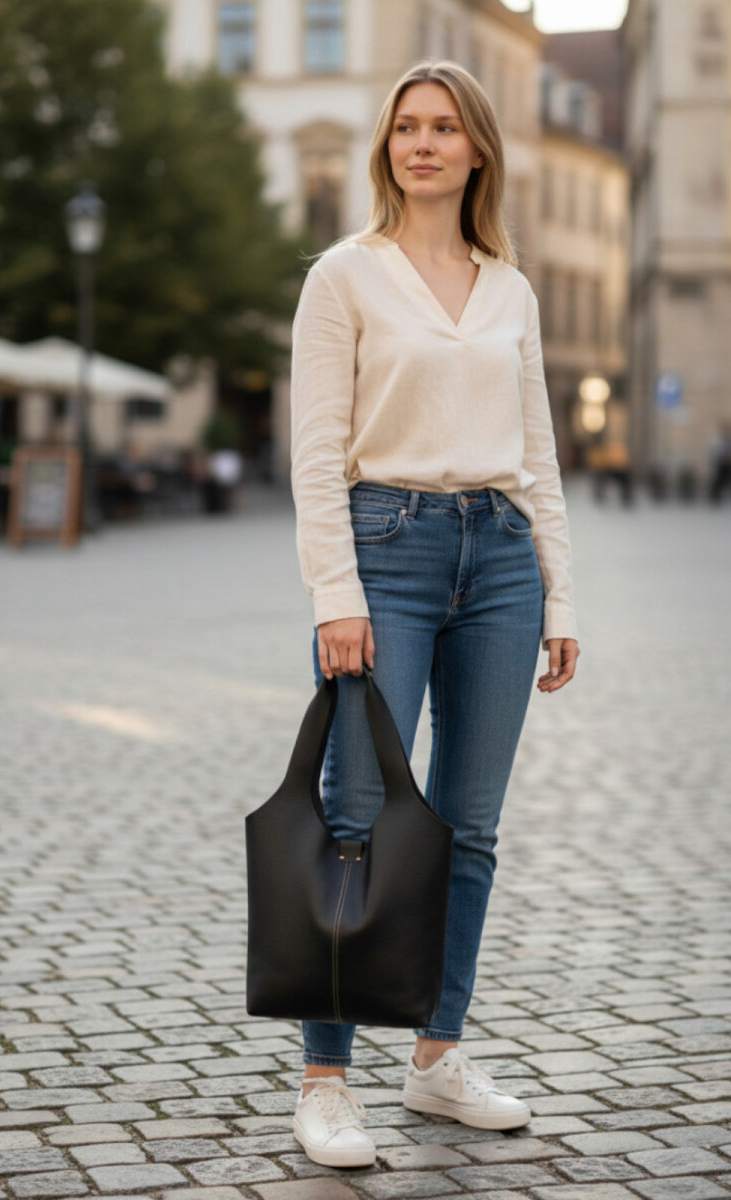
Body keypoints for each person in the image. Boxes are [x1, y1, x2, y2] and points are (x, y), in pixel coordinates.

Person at [288, 60, 580, 1169]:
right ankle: (325, 1081)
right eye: (404, 126)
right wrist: (335, 593)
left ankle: (438, 1059)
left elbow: (540, 453)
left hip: (499, 558)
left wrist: (559, 592)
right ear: (388, 147)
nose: (420, 143)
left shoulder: (511, 287)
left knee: (467, 826)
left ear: (476, 150)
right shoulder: (344, 276)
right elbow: (317, 452)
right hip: (387, 550)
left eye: (442, 127)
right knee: (356, 819)